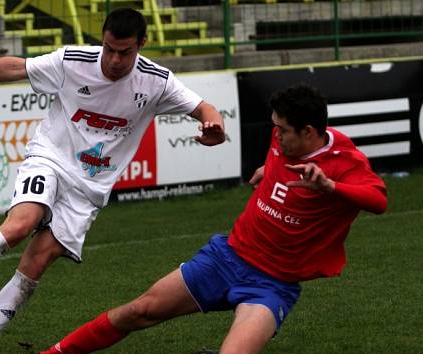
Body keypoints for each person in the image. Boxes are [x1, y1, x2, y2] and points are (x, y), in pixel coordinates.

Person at [0, 7, 226, 348]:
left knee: (36, 262)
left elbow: (204, 108)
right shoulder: (73, 61)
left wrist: (214, 127)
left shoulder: (156, 81)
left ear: (142, 44)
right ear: (101, 40)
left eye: (125, 52)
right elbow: (16, 67)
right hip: (51, 158)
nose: (115, 59)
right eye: (109, 49)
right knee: (19, 225)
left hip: (88, 190)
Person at [40, 84, 388, 354]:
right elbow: (280, 161)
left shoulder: (345, 161)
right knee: (139, 310)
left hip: (272, 286)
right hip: (227, 257)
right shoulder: (282, 139)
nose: (276, 136)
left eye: (283, 131)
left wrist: (331, 187)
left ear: (308, 131)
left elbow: (378, 200)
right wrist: (269, 170)